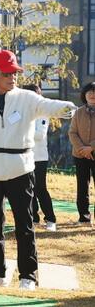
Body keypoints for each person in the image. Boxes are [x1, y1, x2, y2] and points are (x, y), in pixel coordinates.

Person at [0, 50, 77, 290]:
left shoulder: (27, 98)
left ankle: (28, 276)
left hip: (21, 170)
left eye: (15, 73)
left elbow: (49, 106)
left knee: (24, 226)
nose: (12, 77)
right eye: (6, 73)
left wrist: (68, 108)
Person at [22, 84, 57, 232]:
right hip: (24, 156)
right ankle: (33, 218)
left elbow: (39, 135)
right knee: (27, 188)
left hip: (39, 158)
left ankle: (50, 219)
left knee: (40, 189)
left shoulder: (43, 113)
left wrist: (22, 130)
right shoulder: (21, 111)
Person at [68, 82, 95, 224]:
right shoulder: (78, 112)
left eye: (94, 92)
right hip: (80, 155)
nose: (92, 95)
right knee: (82, 187)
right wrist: (82, 149)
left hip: (92, 151)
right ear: (84, 95)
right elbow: (72, 133)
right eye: (89, 92)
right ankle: (84, 217)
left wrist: (91, 147)